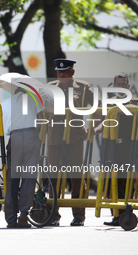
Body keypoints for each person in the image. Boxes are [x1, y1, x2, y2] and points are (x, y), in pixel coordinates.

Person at [46, 59, 102, 227]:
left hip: (75, 139)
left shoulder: (83, 88)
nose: (61, 75)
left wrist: (92, 130)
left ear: (72, 72)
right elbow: (40, 111)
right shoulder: (50, 88)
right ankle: (53, 215)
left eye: (64, 72)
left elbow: (100, 108)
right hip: (54, 138)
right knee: (53, 179)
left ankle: (78, 215)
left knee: (77, 178)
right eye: (58, 72)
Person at [0, 84, 44, 228]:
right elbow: (41, 119)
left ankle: (11, 218)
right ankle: (23, 215)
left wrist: (6, 123)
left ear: (14, 90)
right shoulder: (34, 99)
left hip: (15, 137)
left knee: (12, 177)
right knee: (29, 177)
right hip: (32, 135)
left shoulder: (4, 104)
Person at [102, 73, 138, 226]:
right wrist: (93, 131)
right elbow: (103, 122)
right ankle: (116, 216)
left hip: (130, 148)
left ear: (128, 87)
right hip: (113, 148)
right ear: (114, 87)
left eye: (124, 85)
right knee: (111, 183)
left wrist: (136, 111)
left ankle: (127, 214)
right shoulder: (110, 103)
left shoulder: (137, 102)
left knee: (128, 182)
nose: (121, 87)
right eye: (118, 85)